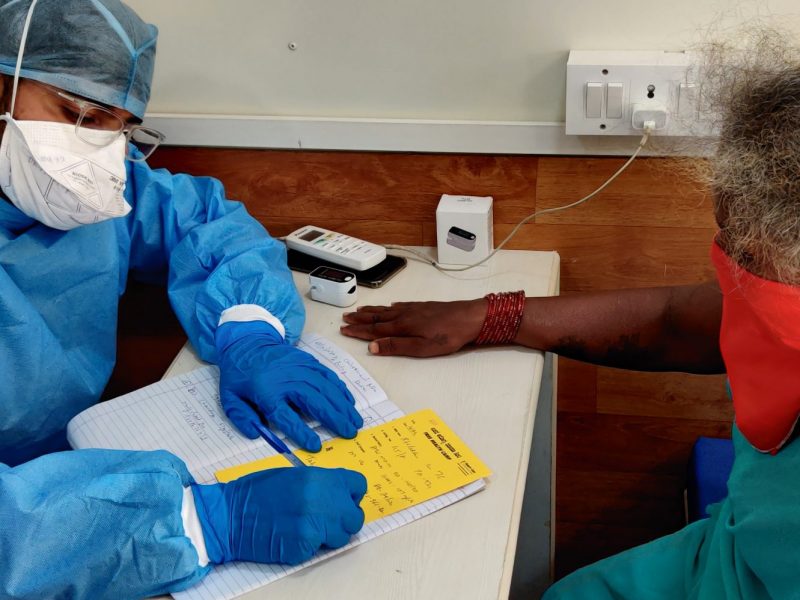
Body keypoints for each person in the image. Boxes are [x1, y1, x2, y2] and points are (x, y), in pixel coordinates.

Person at [341, 30, 800, 599]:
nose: (729, 259)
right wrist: (494, 315)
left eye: (749, 253)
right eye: (728, 237)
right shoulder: (774, 298)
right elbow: (684, 323)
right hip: (726, 555)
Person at [0, 1, 366, 598]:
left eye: (119, 127)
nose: (97, 155)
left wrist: (248, 327)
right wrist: (191, 524)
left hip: (69, 482)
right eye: (79, 114)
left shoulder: (84, 196)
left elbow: (206, 222)